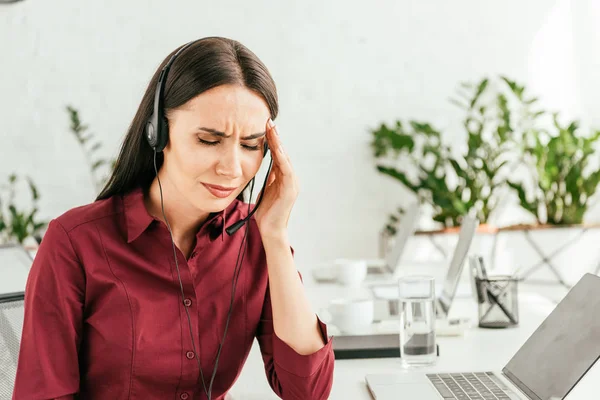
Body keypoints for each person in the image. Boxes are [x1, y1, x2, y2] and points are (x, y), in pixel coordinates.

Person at [13, 36, 334, 400]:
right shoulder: (74, 243)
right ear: (157, 133)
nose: (231, 167)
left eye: (250, 145)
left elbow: (308, 391)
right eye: (209, 140)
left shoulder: (257, 238)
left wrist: (275, 235)